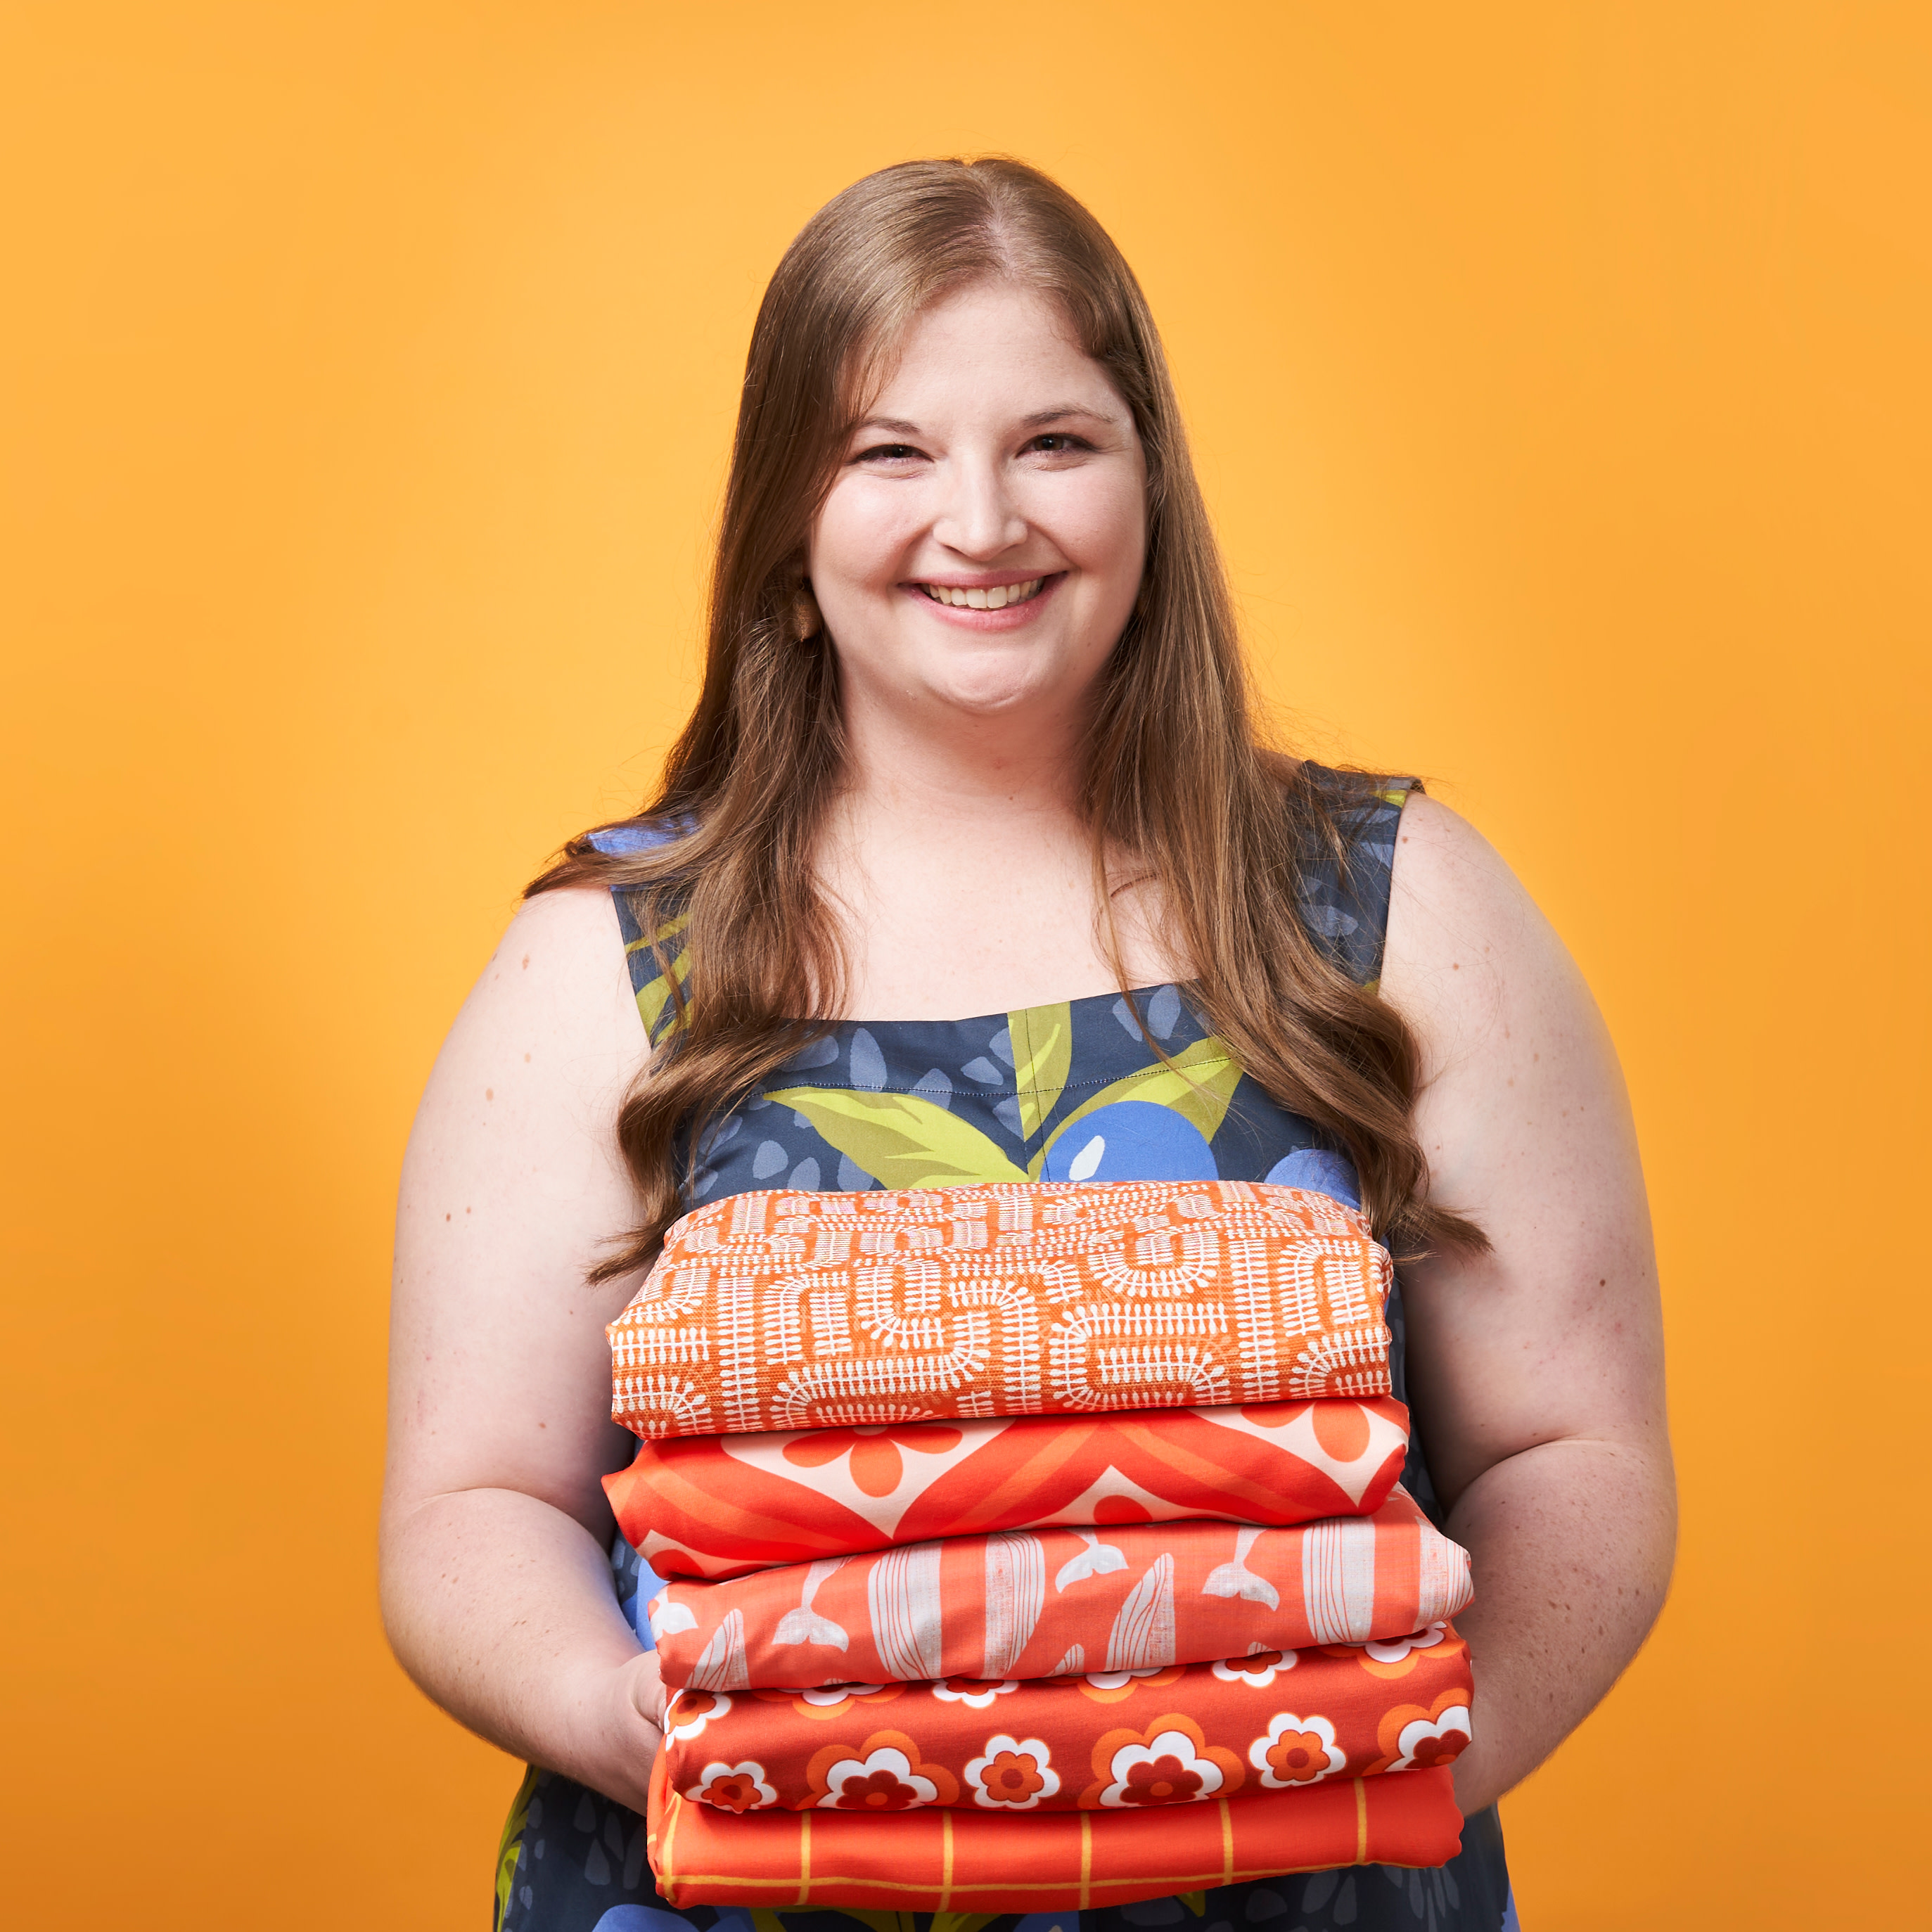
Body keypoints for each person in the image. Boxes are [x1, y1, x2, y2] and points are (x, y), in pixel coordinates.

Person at [380, 158, 1675, 1932]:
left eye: (1055, 442)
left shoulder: (1394, 908)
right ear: (788, 509)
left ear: (1153, 478)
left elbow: (1572, 1452)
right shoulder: (603, 962)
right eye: (889, 453)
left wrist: (1393, 1766)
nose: (978, 523)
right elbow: (467, 1507)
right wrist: (660, 1732)